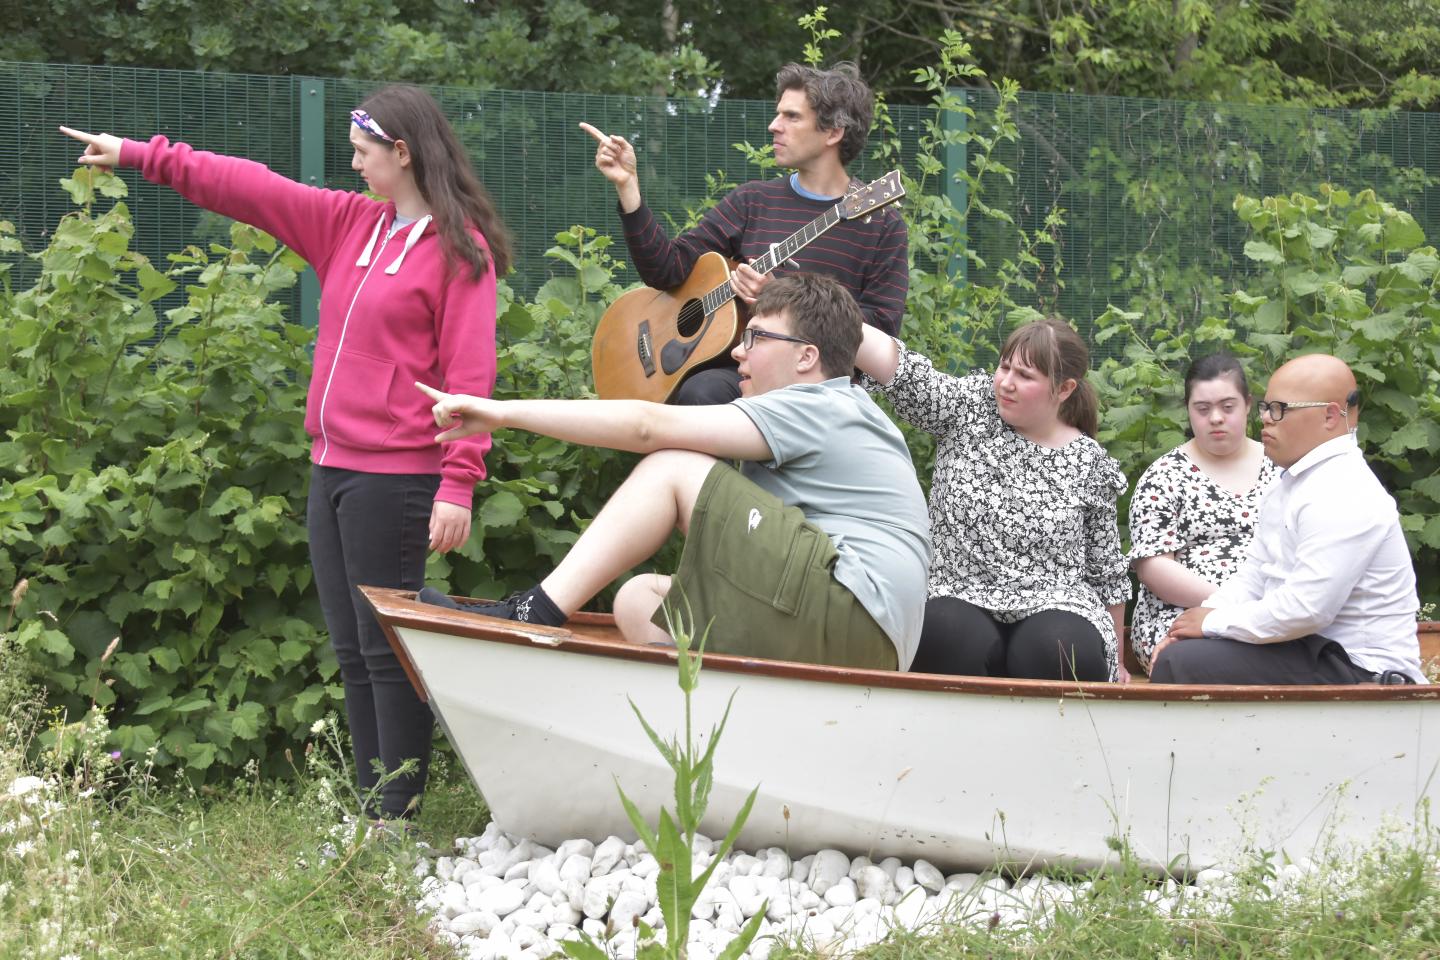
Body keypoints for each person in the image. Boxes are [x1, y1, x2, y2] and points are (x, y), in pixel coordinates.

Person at [62, 85, 513, 821]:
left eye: (365, 151)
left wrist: (459, 483)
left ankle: (393, 815)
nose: (353, 161)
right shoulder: (349, 225)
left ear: (403, 153)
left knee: (383, 652)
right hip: (331, 468)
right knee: (350, 648)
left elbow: (470, 379)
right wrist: (142, 156)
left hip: (396, 478)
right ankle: (376, 806)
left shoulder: (461, 254)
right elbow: (251, 187)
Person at [417, 274, 930, 671]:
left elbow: (647, 426)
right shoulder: (846, 409)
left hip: (852, 610)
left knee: (673, 469)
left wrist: (501, 412)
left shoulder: (818, 404)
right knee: (642, 600)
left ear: (807, 357)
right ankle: (705, 735)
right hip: (869, 636)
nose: (737, 351)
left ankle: (528, 618)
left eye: (757, 338)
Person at [580, 62, 909, 405]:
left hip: (821, 391)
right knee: (701, 392)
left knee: (703, 392)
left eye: (791, 117)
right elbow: (665, 269)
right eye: (777, 114)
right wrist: (628, 186)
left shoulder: (882, 227)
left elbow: (882, 331)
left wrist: (783, 302)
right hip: (741, 374)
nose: (774, 126)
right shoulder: (753, 201)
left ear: (833, 133)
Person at [853, 319, 1131, 682]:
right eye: (1004, 366)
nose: (1006, 383)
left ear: (1064, 389)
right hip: (956, 590)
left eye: (1025, 376)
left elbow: (1105, 570)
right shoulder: (967, 408)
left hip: (1057, 601)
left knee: (1060, 651)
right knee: (945, 637)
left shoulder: (1089, 462)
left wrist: (1119, 661)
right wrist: (814, 310)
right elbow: (897, 367)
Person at [1150, 353, 1423, 685]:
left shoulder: (1345, 490)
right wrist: (1197, 624)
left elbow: (1306, 609)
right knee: (1182, 654)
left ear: (1329, 416)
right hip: (1308, 646)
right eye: (1265, 407)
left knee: (1182, 664)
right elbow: (1253, 576)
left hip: (1361, 667)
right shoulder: (1291, 482)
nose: (1266, 419)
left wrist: (1211, 624)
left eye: (1280, 409)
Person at [1127, 353, 1279, 673]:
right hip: (1181, 615)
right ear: (1188, 410)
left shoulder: (1282, 467)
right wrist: (1227, 605)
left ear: (1248, 404)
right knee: (1198, 659)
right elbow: (1153, 568)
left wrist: (1259, 610)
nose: (1216, 418)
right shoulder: (1164, 475)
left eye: (1227, 407)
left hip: (1272, 608)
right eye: (1203, 409)